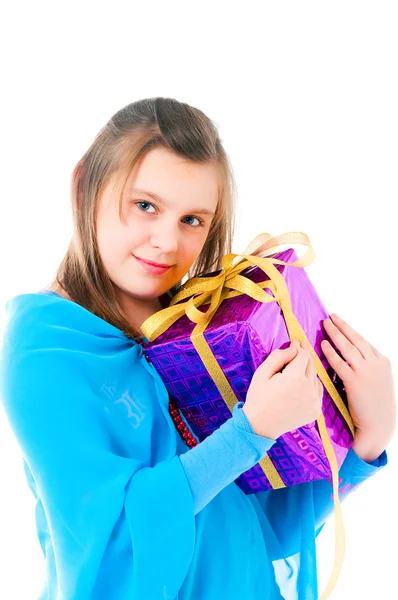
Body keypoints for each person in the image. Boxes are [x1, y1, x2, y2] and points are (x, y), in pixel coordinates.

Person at [0, 97, 393, 600]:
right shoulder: (44, 353)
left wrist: (367, 439)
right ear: (84, 186)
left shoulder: (204, 334)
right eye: (145, 205)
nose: (167, 241)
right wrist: (251, 432)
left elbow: (259, 523)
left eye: (192, 220)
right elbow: (116, 540)